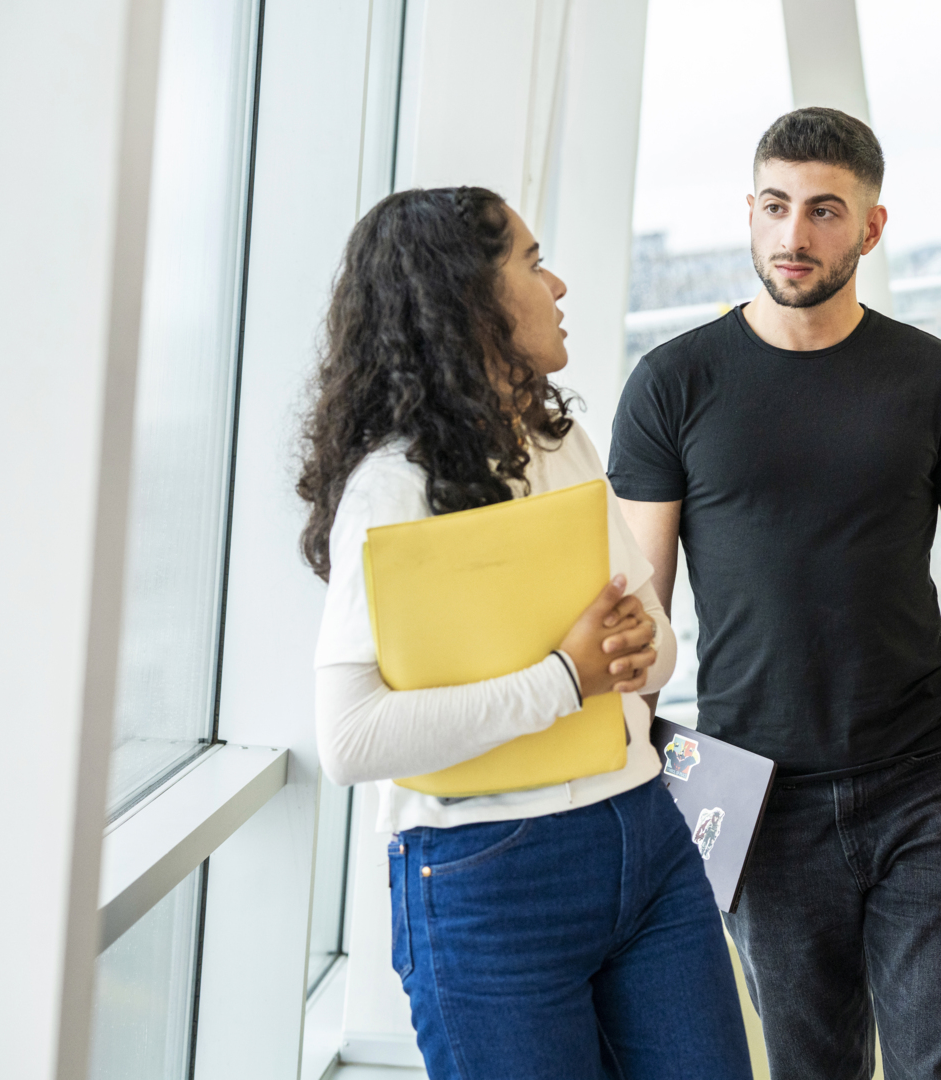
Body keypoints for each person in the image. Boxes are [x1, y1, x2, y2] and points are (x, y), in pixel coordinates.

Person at [610, 107, 941, 1079]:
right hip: (754, 791)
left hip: (925, 782)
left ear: (871, 227)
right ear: (748, 212)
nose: (793, 235)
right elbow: (641, 627)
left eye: (825, 211)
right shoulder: (671, 384)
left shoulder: (937, 381)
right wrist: (625, 809)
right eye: (775, 207)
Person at [298, 186, 754, 1080]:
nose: (559, 285)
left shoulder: (561, 439)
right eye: (532, 262)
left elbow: (659, 644)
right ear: (467, 297)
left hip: (644, 836)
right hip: (490, 880)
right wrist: (563, 677)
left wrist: (634, 650)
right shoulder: (393, 486)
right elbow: (351, 740)